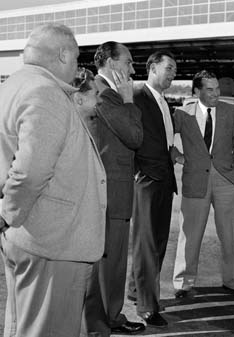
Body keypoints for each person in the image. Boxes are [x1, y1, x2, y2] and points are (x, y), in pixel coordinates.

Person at [0, 23, 107, 337]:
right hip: (51, 241)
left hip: (27, 237)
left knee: (22, 325)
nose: (76, 68)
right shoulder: (45, 93)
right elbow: (30, 171)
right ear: (63, 55)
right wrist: (7, 214)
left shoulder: (13, 85)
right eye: (75, 60)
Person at [79, 42, 145, 336]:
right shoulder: (104, 94)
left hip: (111, 189)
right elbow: (134, 137)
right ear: (109, 62)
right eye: (128, 62)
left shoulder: (103, 91)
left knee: (112, 261)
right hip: (108, 191)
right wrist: (129, 101)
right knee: (106, 263)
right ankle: (100, 324)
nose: (132, 69)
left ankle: (109, 317)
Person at [172, 70, 234, 298]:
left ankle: (233, 282)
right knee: (190, 233)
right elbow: (165, 140)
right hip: (195, 179)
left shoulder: (232, 111)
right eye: (210, 89)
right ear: (197, 91)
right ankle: (183, 283)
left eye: (217, 89)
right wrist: (177, 156)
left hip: (227, 179)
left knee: (229, 234)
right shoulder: (182, 114)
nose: (216, 94)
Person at [128, 50, 177, 327]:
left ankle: (136, 291)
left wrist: (174, 155)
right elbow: (128, 136)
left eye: (173, 70)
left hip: (164, 179)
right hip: (147, 181)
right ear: (152, 67)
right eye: (168, 68)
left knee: (156, 242)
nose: (172, 74)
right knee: (146, 244)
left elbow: (160, 140)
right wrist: (136, 170)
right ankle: (147, 306)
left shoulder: (163, 102)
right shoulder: (137, 97)